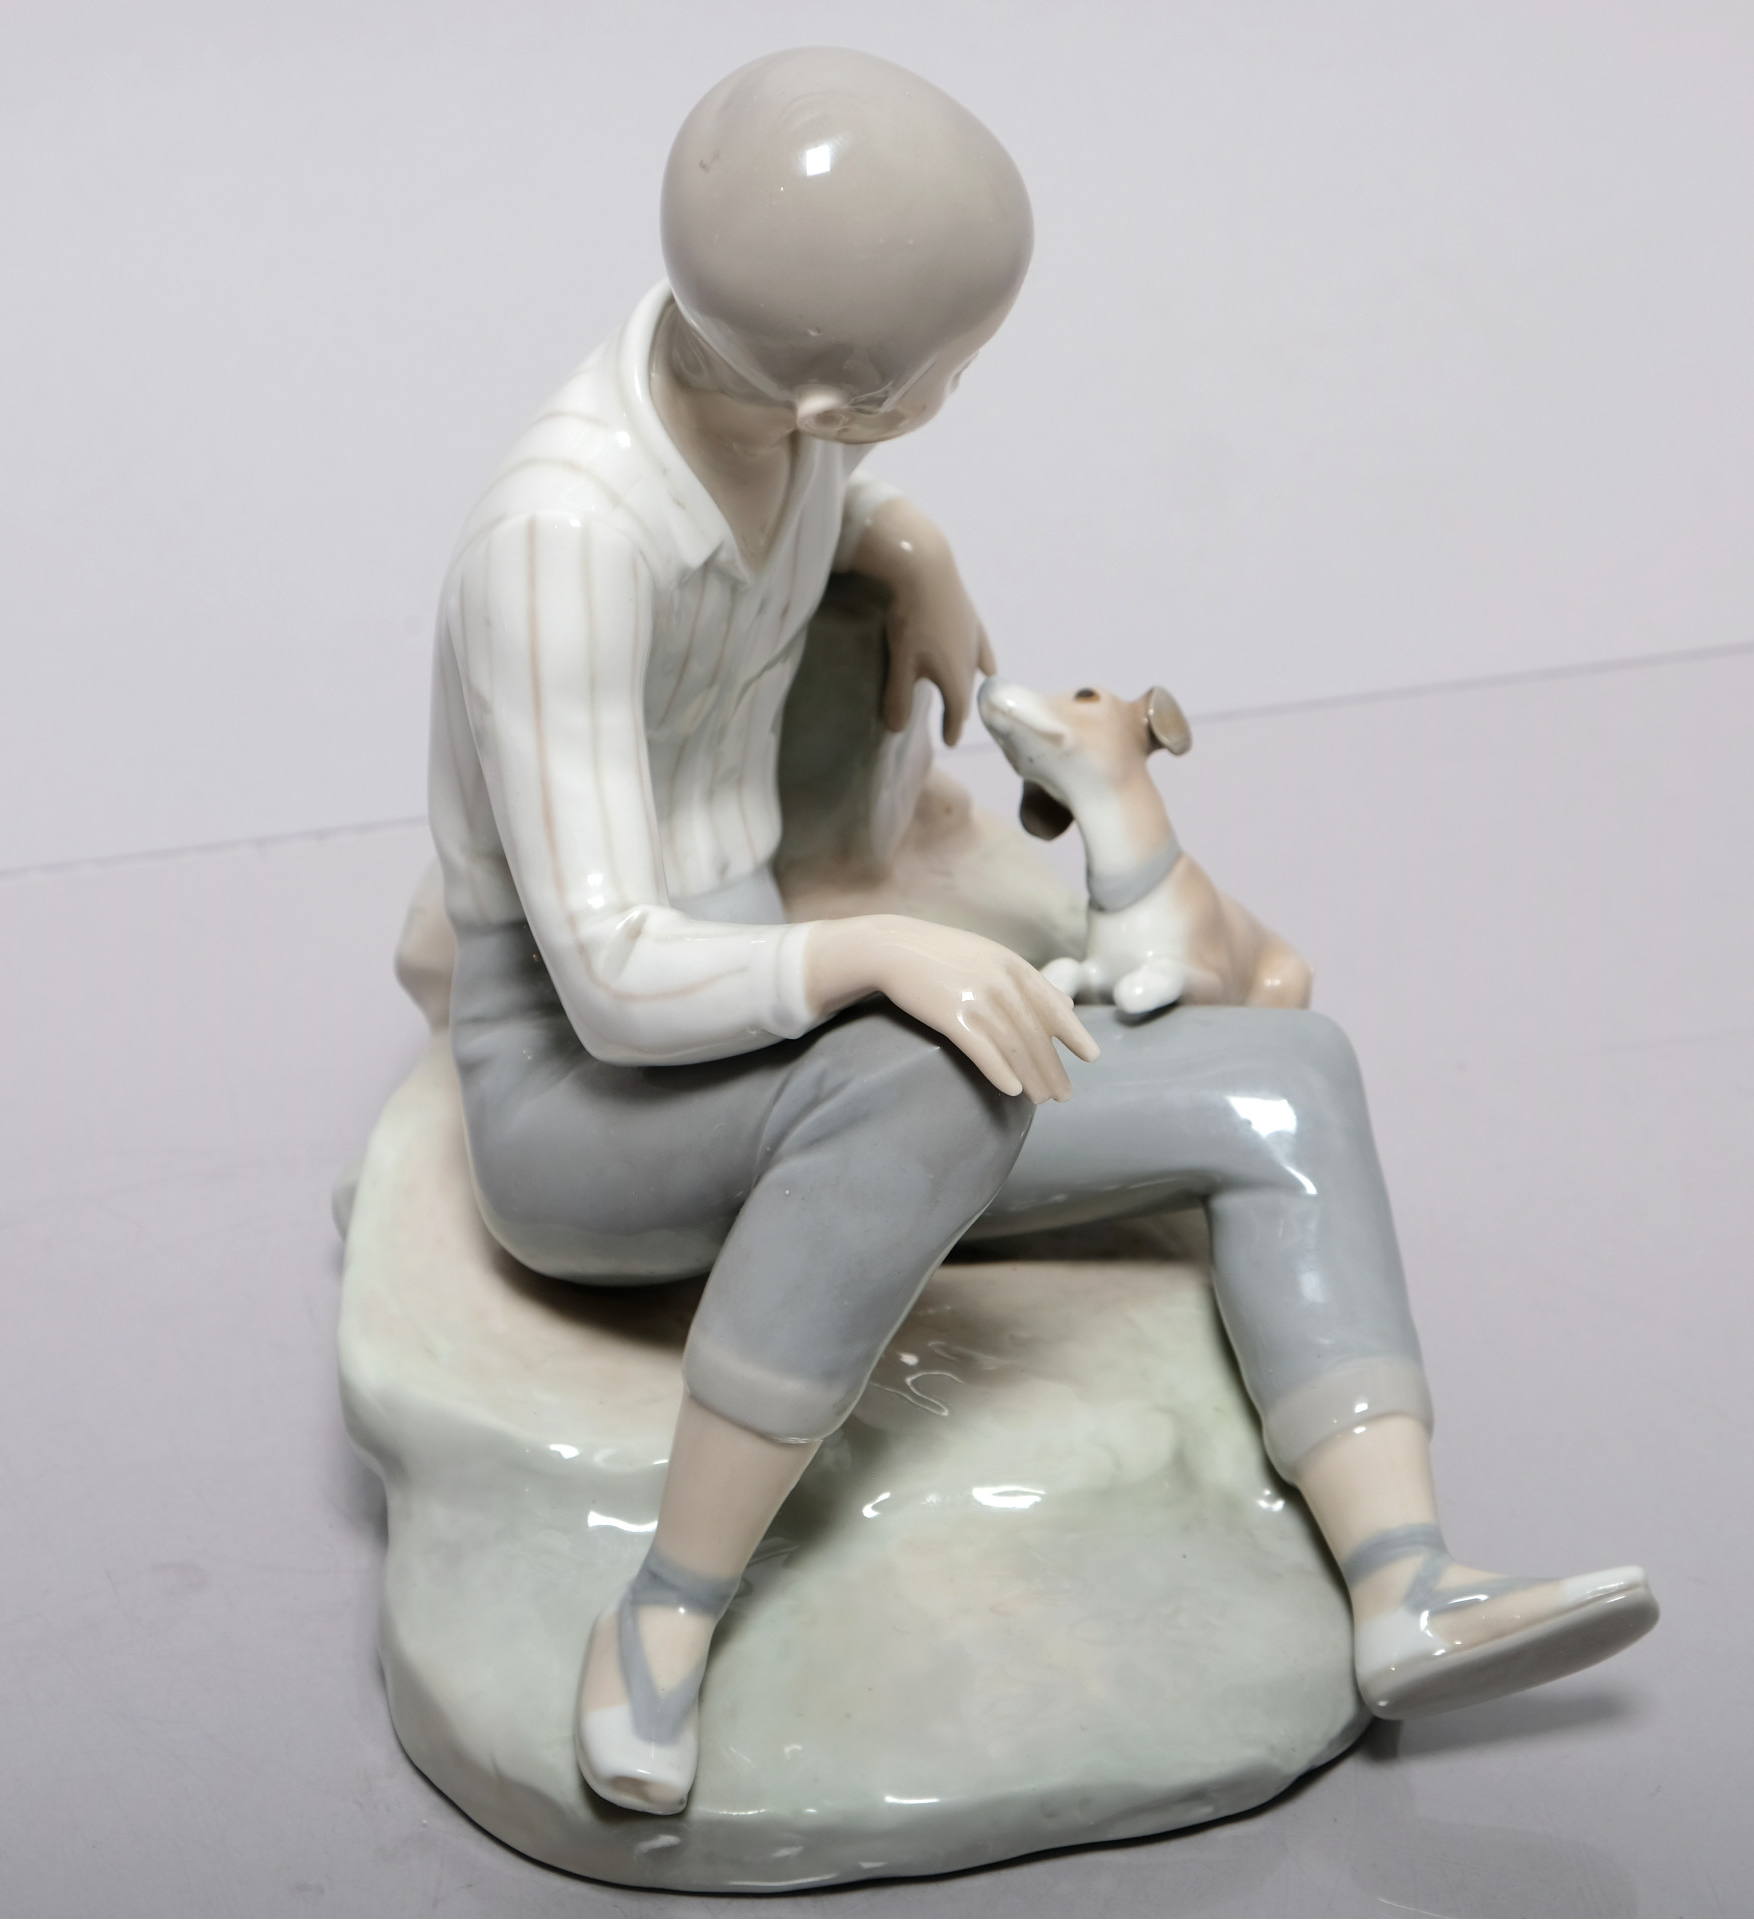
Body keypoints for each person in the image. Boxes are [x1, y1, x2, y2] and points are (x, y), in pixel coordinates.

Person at [426, 47, 1657, 1816]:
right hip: (586, 1097)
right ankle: (665, 1614)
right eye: (950, 372)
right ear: (848, 391)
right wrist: (881, 955)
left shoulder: (756, 406)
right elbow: (614, 987)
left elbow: (810, 498)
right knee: (930, 1081)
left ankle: (1408, 1588)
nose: (961, 389)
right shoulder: (558, 546)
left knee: (1287, 1076)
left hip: (766, 1010)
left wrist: (906, 543)